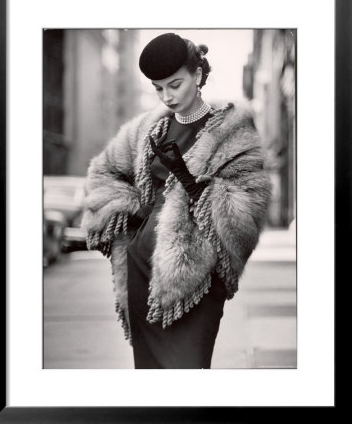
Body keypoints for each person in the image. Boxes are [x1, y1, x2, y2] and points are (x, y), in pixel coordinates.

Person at [82, 32, 271, 369]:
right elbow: (102, 174)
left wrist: (186, 178)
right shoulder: (146, 128)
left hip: (197, 280)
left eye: (175, 84)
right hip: (143, 271)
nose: (166, 96)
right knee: (152, 379)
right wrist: (125, 216)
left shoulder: (233, 130)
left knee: (188, 373)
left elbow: (248, 210)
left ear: (197, 76)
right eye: (158, 88)